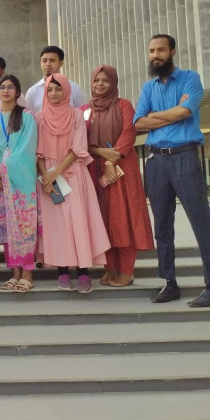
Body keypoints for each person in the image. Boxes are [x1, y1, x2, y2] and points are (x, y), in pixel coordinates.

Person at [134, 34, 210, 307]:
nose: (155, 55)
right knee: (162, 225)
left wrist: (157, 116)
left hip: (185, 157)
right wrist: (173, 112)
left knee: (201, 221)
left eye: (161, 50)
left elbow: (185, 113)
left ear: (172, 51)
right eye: (152, 51)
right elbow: (138, 123)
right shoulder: (148, 87)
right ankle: (170, 283)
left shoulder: (190, 79)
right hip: (156, 162)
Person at [36, 73, 110, 294]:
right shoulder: (39, 118)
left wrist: (56, 173)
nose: (54, 93)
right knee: (57, 224)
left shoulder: (76, 114)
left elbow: (78, 148)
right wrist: (46, 176)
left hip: (73, 172)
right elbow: (37, 152)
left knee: (78, 220)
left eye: (58, 89)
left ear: (67, 91)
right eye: (50, 89)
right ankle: (62, 272)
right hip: (48, 175)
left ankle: (83, 272)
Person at [84, 64, 154, 287]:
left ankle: (126, 271)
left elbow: (128, 134)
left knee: (123, 218)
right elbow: (80, 139)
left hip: (122, 169)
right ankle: (110, 268)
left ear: (113, 83)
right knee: (103, 219)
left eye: (105, 80)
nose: (100, 84)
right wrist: (99, 152)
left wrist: (110, 161)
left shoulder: (123, 105)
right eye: (96, 80)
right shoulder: (85, 110)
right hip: (94, 169)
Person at [0, 75, 39, 293]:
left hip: (20, 180)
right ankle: (14, 272)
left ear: (17, 92)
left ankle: (28, 273)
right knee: (5, 226)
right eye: (2, 87)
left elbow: (27, 148)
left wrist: (5, 168)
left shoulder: (27, 117)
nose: (5, 90)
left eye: (10, 87)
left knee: (23, 225)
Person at [25, 46, 86, 113]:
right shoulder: (32, 92)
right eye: (44, 61)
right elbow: (29, 117)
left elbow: (83, 113)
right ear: (40, 63)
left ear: (61, 63)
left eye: (52, 60)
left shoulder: (74, 88)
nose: (48, 64)